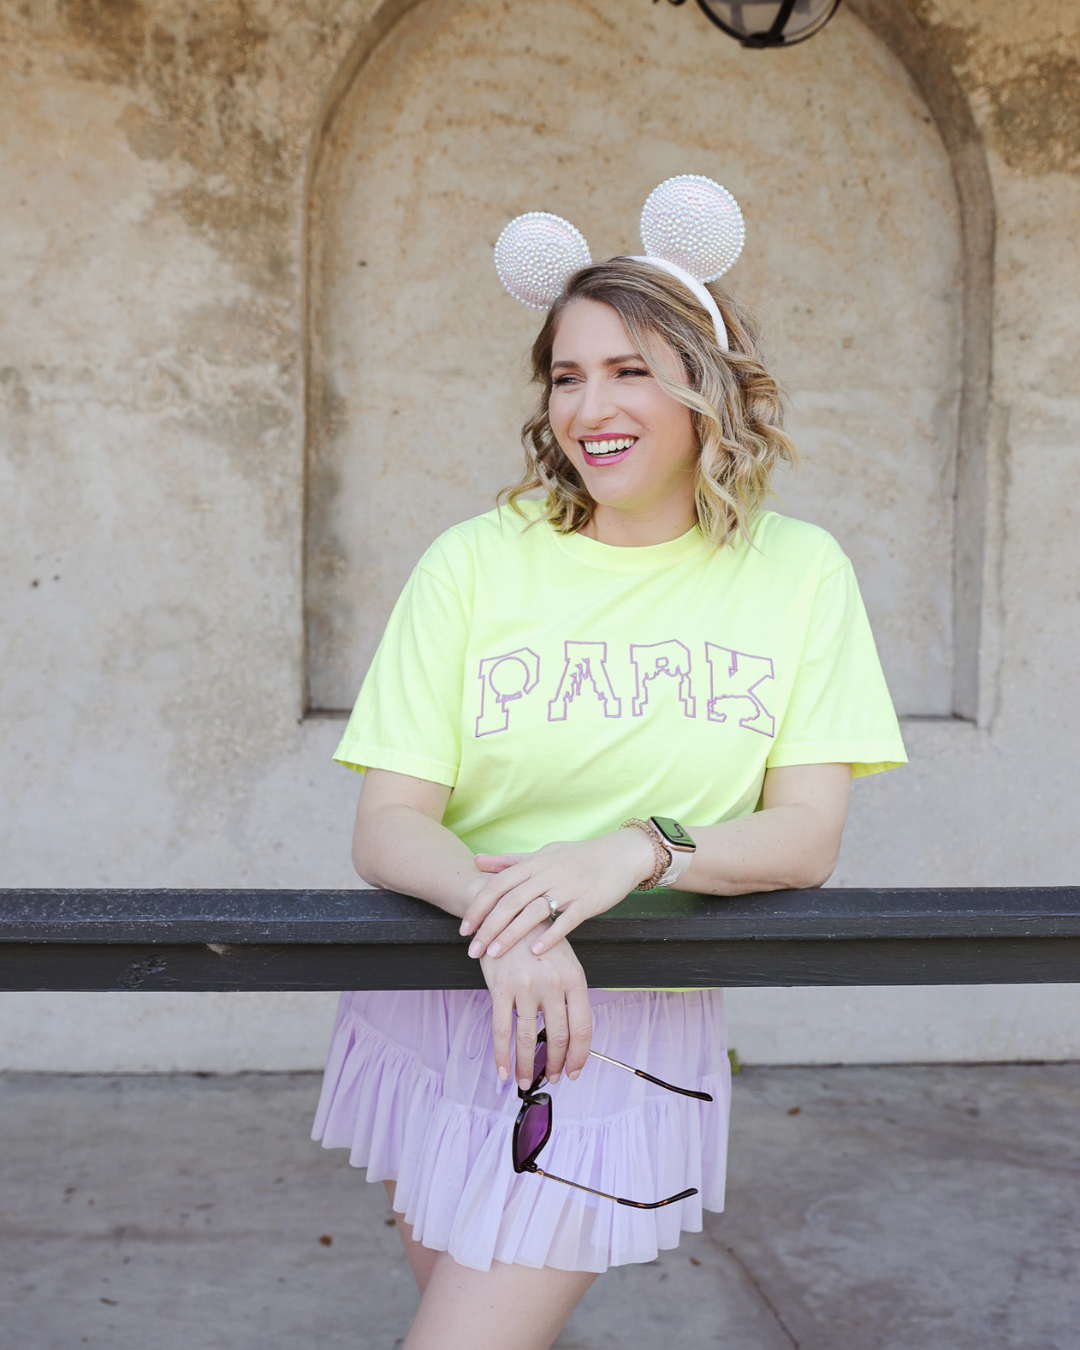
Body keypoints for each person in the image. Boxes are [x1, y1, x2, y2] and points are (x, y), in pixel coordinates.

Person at [312, 181, 907, 1350]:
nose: (593, 405)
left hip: (620, 1023)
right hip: (449, 992)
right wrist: (515, 918)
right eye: (568, 373)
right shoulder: (474, 564)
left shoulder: (799, 574)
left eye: (631, 369)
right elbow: (389, 824)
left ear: (707, 386)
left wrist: (634, 850)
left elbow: (808, 835)